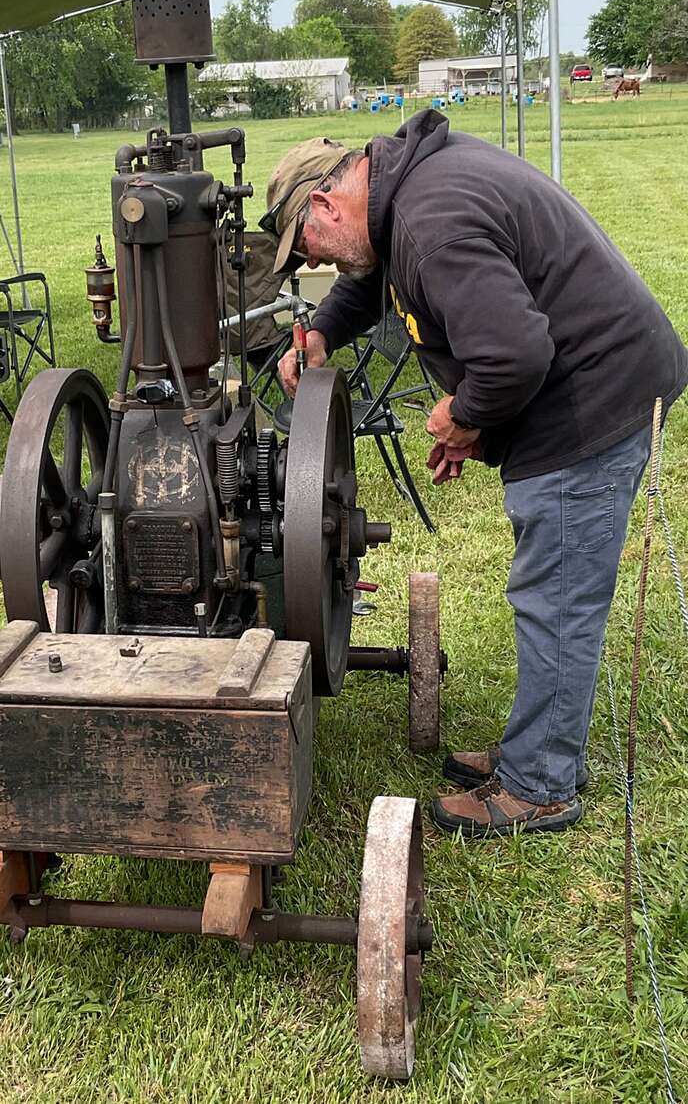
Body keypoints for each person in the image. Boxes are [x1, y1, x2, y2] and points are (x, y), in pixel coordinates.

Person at [262, 111, 688, 838]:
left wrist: (465, 415)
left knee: (556, 597)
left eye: (307, 249)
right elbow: (370, 277)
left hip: (593, 399)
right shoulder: (401, 200)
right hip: (590, 380)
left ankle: (541, 785)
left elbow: (516, 356)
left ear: (327, 203)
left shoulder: (430, 224)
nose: (314, 264)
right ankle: (537, 750)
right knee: (552, 588)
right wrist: (324, 330)